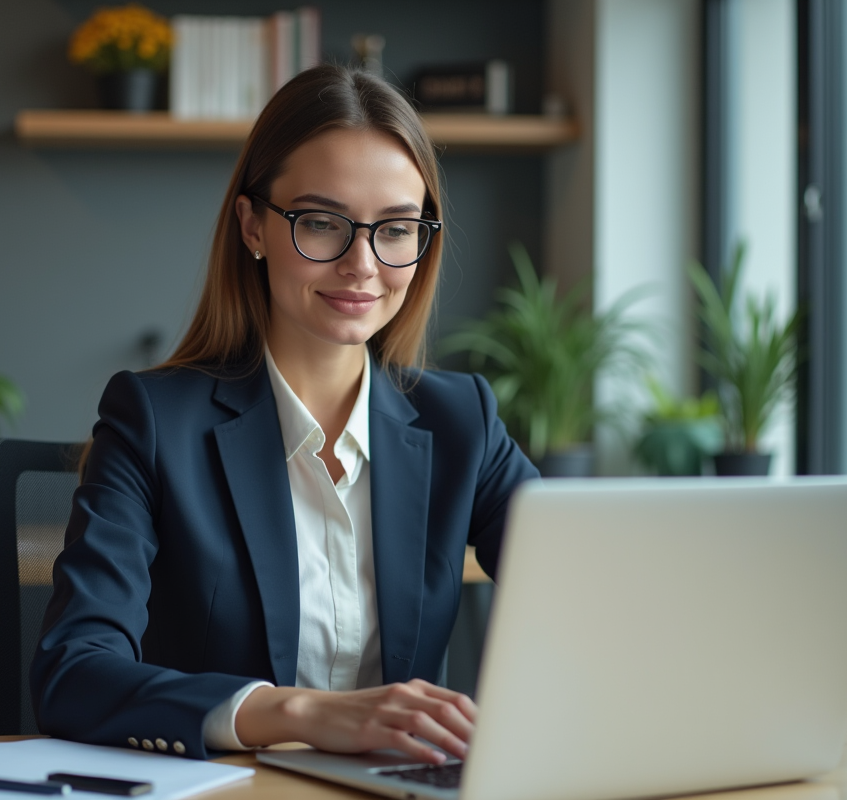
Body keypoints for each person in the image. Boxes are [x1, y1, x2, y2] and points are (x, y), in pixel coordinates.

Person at [31, 64, 539, 765]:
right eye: (322, 223)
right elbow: (73, 672)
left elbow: (593, 597)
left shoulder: (463, 422)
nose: (363, 264)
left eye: (396, 229)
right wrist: (299, 713)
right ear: (253, 225)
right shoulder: (153, 422)